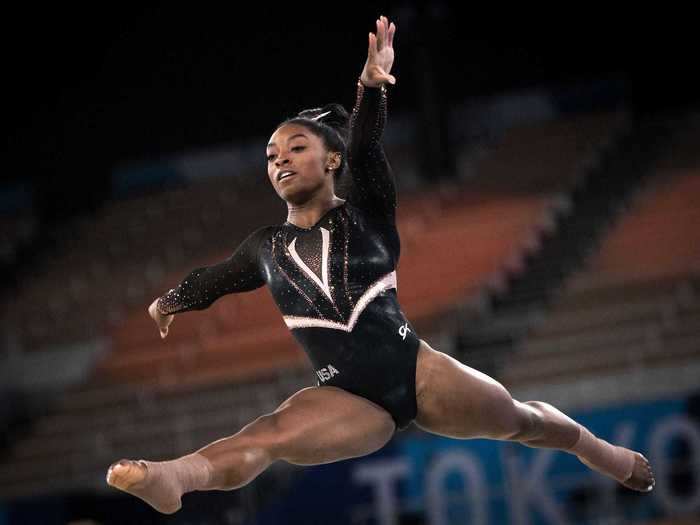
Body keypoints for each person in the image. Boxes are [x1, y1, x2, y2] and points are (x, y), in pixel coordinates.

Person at [106, 15, 654, 515]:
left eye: (296, 148)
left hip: (418, 373)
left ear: (332, 159)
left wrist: (370, 89)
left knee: (522, 421)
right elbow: (213, 280)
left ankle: (599, 452)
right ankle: (174, 476)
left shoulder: (366, 210)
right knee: (268, 434)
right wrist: (169, 302)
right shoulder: (264, 247)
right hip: (343, 398)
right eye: (272, 156)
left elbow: (367, 147)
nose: (280, 162)